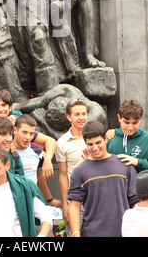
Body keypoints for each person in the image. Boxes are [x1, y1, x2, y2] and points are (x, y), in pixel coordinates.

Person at [68, 121, 139, 237]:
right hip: (92, 233)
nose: (95, 148)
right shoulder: (79, 171)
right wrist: (75, 234)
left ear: (106, 139)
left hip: (124, 232)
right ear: (85, 143)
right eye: (90, 144)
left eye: (98, 142)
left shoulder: (125, 165)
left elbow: (136, 202)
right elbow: (74, 205)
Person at [106, 99, 148, 179]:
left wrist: (138, 162)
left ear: (140, 119)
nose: (130, 127)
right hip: (115, 190)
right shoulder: (109, 138)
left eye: (135, 123)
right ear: (119, 118)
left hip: (143, 190)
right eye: (126, 122)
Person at [13, 114, 61, 207]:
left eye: (31, 134)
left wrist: (49, 200)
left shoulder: (37, 152)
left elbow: (39, 178)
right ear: (15, 130)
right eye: (24, 132)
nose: (28, 137)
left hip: (32, 200)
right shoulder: (5, 152)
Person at [55, 98, 87, 228]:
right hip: (75, 199)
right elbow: (63, 175)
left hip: (97, 196)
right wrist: (65, 205)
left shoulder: (97, 137)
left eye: (84, 114)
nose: (81, 118)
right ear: (69, 117)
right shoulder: (62, 143)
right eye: (77, 114)